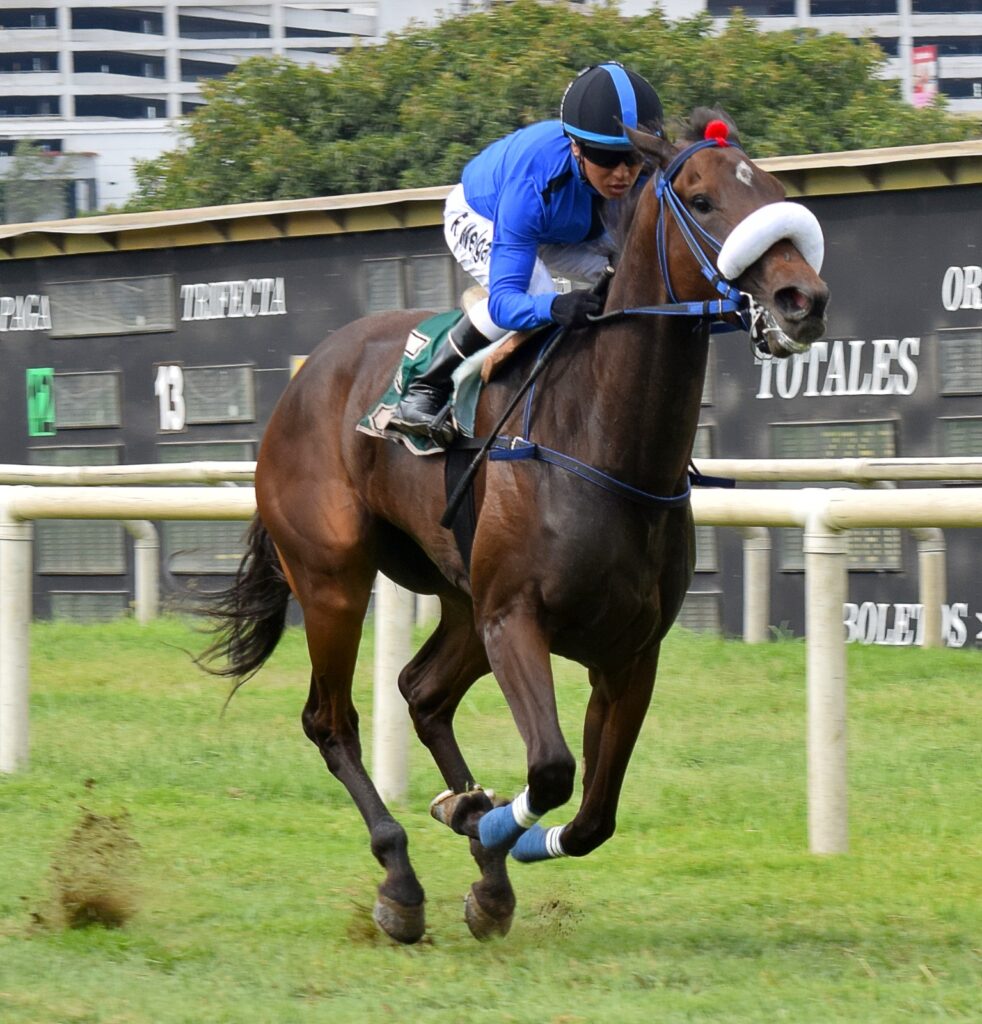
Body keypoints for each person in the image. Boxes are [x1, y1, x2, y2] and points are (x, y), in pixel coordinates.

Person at [388, 61, 664, 443]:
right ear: (576, 147)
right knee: (536, 292)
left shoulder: (647, 171)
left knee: (637, 269)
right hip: (484, 215)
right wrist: (554, 307)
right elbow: (506, 303)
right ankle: (425, 388)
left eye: (634, 158)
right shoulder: (532, 182)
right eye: (605, 157)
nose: (622, 173)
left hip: (569, 227)